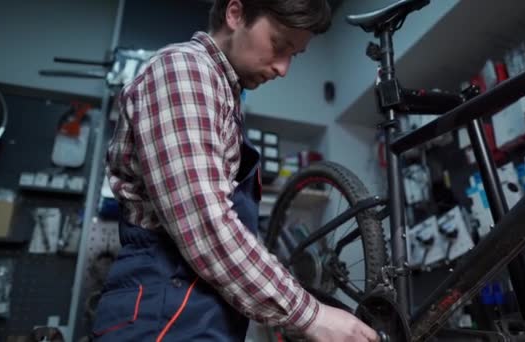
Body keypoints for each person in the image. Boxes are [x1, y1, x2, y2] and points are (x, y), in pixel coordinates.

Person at [92, 0, 379, 341]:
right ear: (235, 14)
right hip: (161, 315)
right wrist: (312, 317)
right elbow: (207, 225)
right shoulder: (183, 70)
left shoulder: (223, 95)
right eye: (279, 44)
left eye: (295, 56)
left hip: (198, 315)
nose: (284, 69)